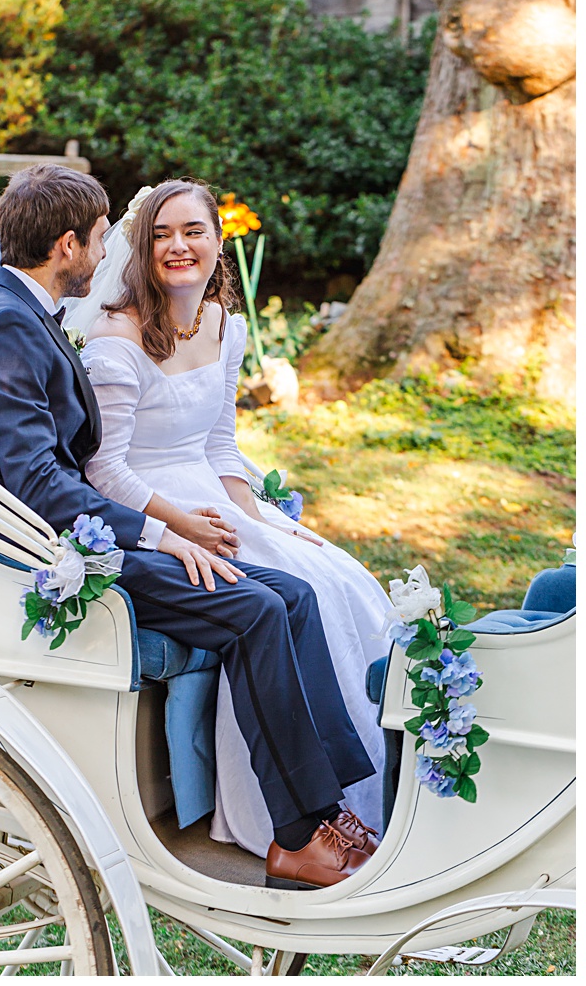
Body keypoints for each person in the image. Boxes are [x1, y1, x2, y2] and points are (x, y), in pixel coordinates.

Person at [0, 163, 379, 890]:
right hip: (51, 548)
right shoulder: (3, 332)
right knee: (258, 610)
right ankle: (299, 835)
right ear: (69, 247)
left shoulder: (25, 314)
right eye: (105, 238)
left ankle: (326, 812)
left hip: (88, 528)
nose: (112, 253)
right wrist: (163, 534)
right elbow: (42, 486)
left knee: (292, 595)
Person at [72, 179, 391, 858]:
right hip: (152, 505)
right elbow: (105, 473)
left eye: (193, 231)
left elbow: (219, 445)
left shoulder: (226, 325)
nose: (178, 247)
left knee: (344, 582)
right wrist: (181, 523)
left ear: (219, 242)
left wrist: (264, 521)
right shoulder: (116, 338)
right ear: (139, 248)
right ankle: (293, 817)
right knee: (290, 599)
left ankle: (362, 800)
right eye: (161, 235)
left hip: (213, 493)